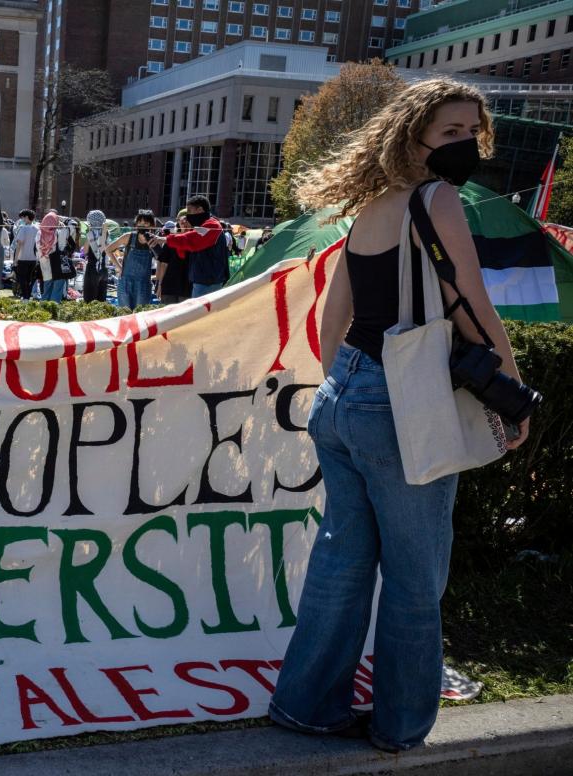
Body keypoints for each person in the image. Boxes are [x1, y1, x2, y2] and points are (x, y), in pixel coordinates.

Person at [268, 79, 530, 754]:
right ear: (411, 137)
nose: (465, 143)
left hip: (344, 396)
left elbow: (332, 315)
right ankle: (399, 726)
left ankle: (304, 706)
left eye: (472, 131)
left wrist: (344, 386)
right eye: (449, 132)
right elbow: (470, 302)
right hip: (394, 401)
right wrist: (511, 389)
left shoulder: (369, 205)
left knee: (341, 564)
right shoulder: (439, 200)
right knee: (416, 578)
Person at [151, 194, 226, 297]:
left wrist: (163, 239)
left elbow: (190, 239)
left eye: (190, 211)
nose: (188, 216)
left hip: (208, 282)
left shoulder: (213, 225)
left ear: (199, 210)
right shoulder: (202, 225)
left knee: (201, 313)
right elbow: (184, 250)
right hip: (201, 280)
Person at [105, 209, 161, 309]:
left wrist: (158, 278)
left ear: (152, 225)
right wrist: (119, 267)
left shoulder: (155, 240)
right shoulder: (128, 237)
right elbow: (108, 250)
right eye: (140, 222)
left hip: (144, 284)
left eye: (146, 223)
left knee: (140, 315)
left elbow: (161, 259)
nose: (142, 225)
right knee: (125, 314)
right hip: (125, 282)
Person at [154, 218, 191, 304]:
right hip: (169, 286)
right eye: (182, 222)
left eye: (187, 221)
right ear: (178, 223)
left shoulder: (196, 241)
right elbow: (163, 264)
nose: (184, 224)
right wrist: (159, 285)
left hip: (188, 288)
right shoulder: (170, 240)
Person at [42, 216, 78, 301]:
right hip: (59, 263)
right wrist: (60, 217)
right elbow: (73, 223)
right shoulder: (63, 232)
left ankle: (43, 309)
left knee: (47, 289)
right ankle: (53, 308)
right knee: (57, 288)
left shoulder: (42, 233)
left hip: (46, 264)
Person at [81, 209, 111, 303]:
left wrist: (88, 234)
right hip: (103, 268)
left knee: (89, 299)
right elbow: (107, 249)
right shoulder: (106, 232)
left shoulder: (90, 234)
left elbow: (85, 251)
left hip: (92, 269)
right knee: (101, 298)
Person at [11, 209, 40, 300]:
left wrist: (15, 260)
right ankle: (27, 297)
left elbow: (19, 244)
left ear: (26, 217)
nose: (21, 220)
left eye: (22, 218)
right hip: (34, 259)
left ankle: (25, 297)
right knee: (30, 280)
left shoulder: (23, 229)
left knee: (22, 279)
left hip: (23, 258)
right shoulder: (37, 229)